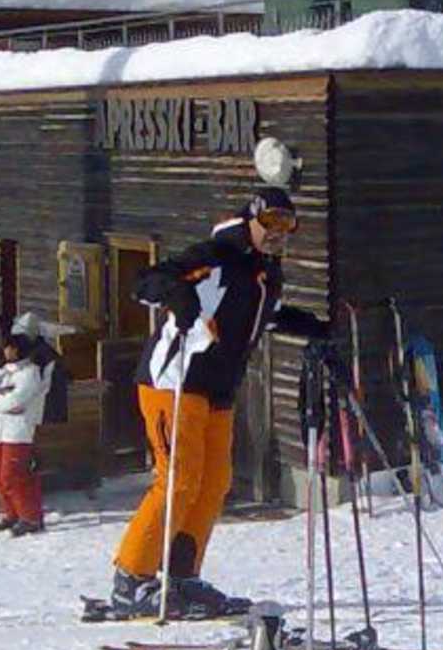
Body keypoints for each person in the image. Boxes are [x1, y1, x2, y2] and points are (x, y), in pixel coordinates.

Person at [108, 186, 330, 616]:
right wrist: (178, 295)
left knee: (213, 482)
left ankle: (182, 576)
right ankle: (131, 578)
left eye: (287, 224)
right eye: (270, 222)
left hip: (218, 388)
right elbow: (148, 281)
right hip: (174, 381)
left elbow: (263, 316)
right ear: (251, 219)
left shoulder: (265, 272)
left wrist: (313, 326)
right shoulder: (217, 254)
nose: (277, 232)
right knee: (178, 479)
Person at [0, 332, 50, 535]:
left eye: (11, 348)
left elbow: (16, 401)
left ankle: (30, 517)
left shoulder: (30, 373)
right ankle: (11, 513)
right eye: (6, 347)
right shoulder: (1, 373)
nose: (7, 351)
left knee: (12, 476)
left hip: (17, 431)